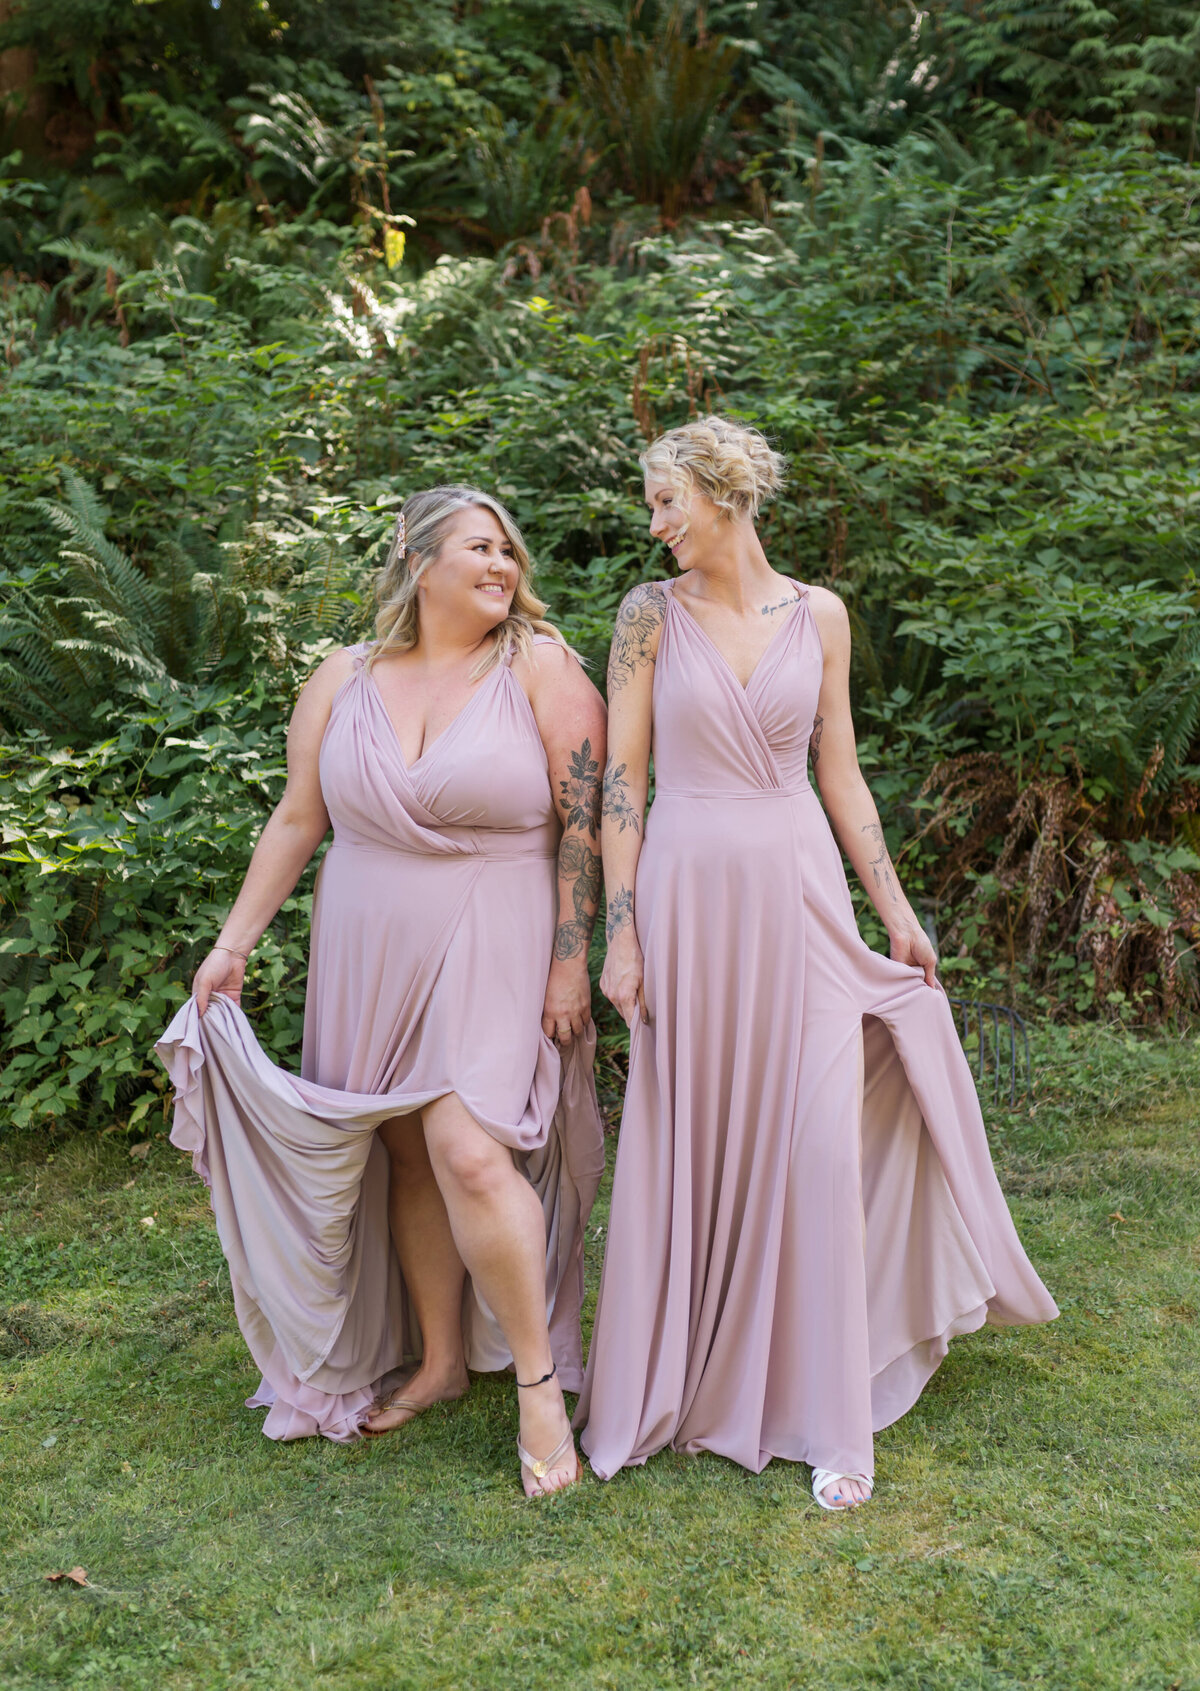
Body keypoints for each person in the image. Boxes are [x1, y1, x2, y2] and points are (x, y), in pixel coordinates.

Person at [574, 416, 1057, 1509]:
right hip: (691, 894)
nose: (655, 526)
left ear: (723, 493)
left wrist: (896, 909)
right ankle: (690, 1385)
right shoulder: (648, 617)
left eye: (667, 503)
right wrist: (621, 928)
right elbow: (622, 785)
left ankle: (830, 1409)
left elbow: (840, 773)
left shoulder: (822, 614)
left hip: (799, 894)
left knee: (823, 1150)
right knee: (699, 1133)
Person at [156, 485, 606, 1497]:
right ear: (416, 553)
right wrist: (234, 942)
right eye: (483, 547)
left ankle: (540, 1385)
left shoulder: (540, 665)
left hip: (497, 924)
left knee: (467, 1149)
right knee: (405, 1149)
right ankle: (442, 1360)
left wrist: (572, 956)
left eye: (511, 551)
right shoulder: (342, 675)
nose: (505, 565)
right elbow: (296, 818)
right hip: (366, 931)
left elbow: (586, 822)